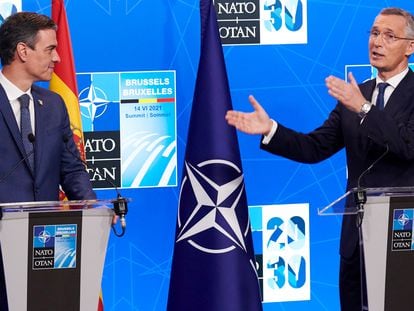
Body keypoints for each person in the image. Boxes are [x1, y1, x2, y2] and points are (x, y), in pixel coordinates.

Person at [226, 7, 414, 311]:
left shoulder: (364, 100)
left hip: (402, 240)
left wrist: (364, 109)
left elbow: (407, 144)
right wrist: (270, 129)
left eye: (389, 36)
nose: (377, 42)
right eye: (375, 33)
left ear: (410, 47)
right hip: (356, 241)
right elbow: (314, 147)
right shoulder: (357, 94)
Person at [0, 12, 96, 309]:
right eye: (50, 49)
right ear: (22, 51)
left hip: (45, 245)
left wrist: (92, 206)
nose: (57, 59)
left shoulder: (53, 105)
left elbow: (71, 166)